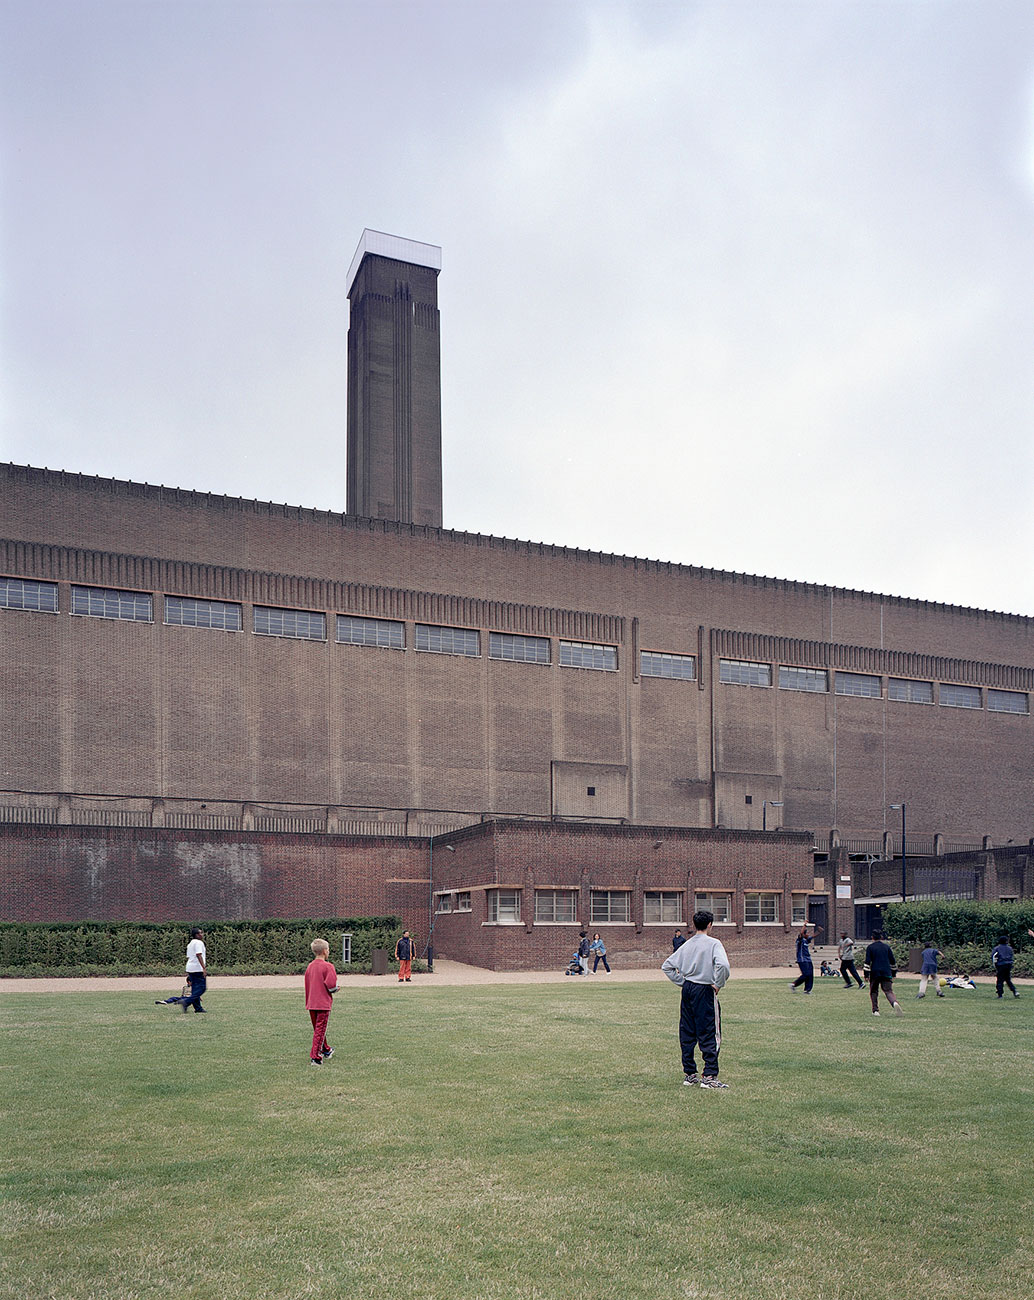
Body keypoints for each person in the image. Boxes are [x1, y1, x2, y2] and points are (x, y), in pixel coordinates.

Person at [661, 909, 731, 1090]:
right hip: (704, 988)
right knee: (709, 1030)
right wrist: (718, 984)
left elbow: (667, 966)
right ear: (710, 925)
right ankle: (709, 1076)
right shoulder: (714, 943)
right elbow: (723, 965)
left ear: (694, 924)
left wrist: (682, 982)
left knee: (687, 1030)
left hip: (688, 989)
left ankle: (690, 1074)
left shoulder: (687, 944)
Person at [304, 938, 339, 1065]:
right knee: (320, 1029)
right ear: (324, 951)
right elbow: (331, 986)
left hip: (311, 1002)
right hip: (323, 1004)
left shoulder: (310, 966)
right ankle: (316, 1057)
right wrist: (337, 988)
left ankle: (326, 1049)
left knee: (318, 1029)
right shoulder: (328, 966)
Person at [864, 930, 903, 1017]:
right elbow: (892, 961)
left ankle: (875, 1010)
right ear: (881, 937)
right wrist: (893, 973)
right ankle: (894, 1002)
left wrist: (866, 975)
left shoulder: (870, 947)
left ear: (872, 937)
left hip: (875, 972)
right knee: (888, 991)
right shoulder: (886, 947)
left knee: (874, 991)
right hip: (886, 971)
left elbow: (867, 962)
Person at [183, 927, 207, 1013]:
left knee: (195, 989)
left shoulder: (190, 943)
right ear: (196, 935)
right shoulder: (198, 943)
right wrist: (203, 968)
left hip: (190, 967)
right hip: (197, 968)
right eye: (201, 933)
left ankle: (198, 1008)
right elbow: (198, 954)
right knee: (202, 988)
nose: (202, 934)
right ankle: (186, 1002)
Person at [790, 924, 814, 994]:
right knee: (806, 974)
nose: (807, 935)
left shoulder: (806, 941)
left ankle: (807, 990)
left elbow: (812, 937)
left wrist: (819, 932)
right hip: (802, 959)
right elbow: (801, 933)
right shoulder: (800, 940)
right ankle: (794, 984)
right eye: (806, 934)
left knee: (810, 974)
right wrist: (805, 925)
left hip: (808, 959)